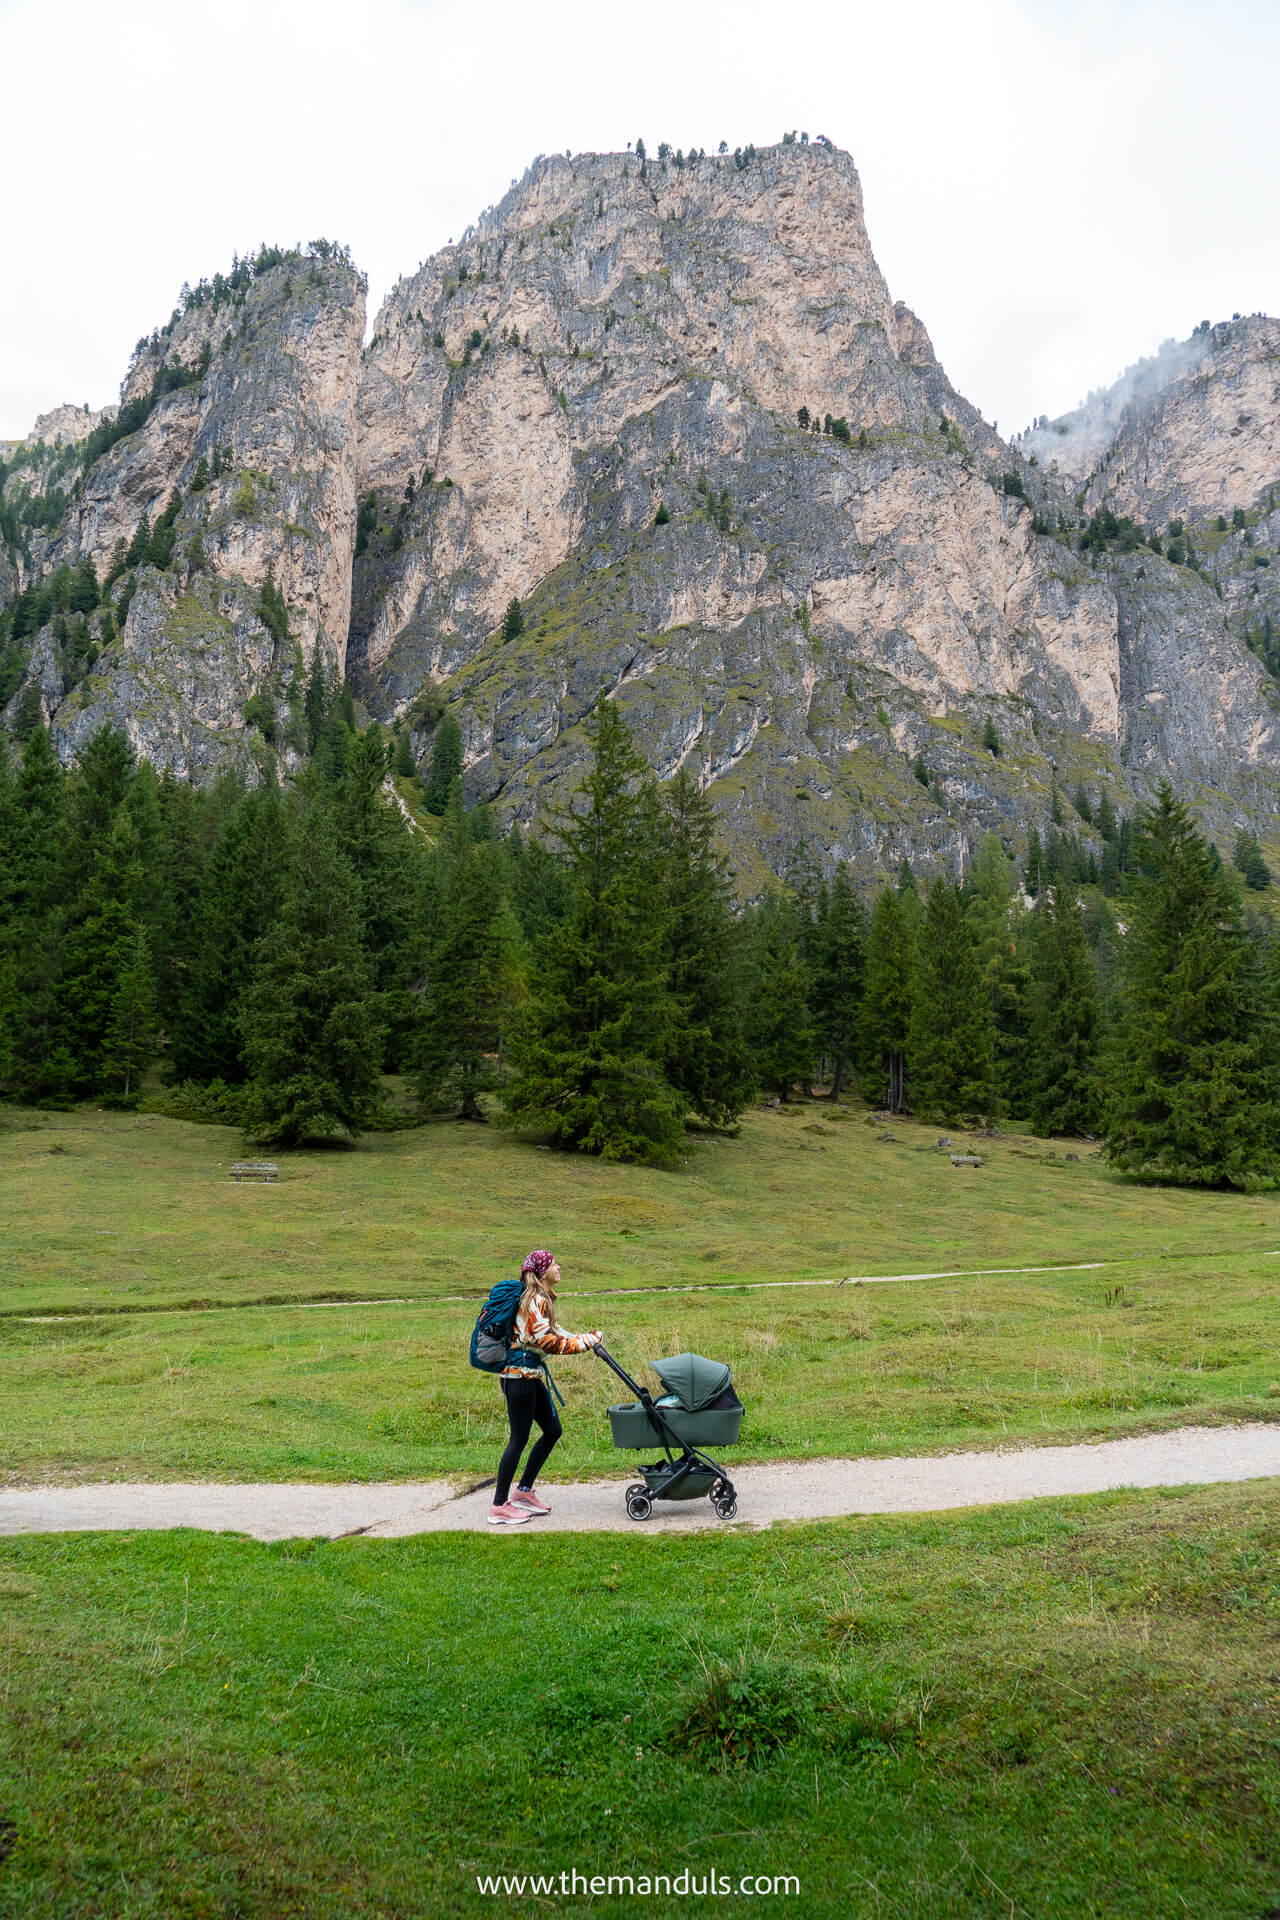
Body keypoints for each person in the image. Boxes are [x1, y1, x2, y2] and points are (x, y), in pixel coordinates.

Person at [488, 1249, 601, 1526]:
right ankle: (499, 1506)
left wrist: (585, 1338)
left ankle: (523, 1492)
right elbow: (548, 1342)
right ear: (542, 1272)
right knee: (518, 1440)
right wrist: (586, 1343)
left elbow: (555, 1332)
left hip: (528, 1375)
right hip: (519, 1378)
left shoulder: (539, 1300)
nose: (558, 1267)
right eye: (553, 1264)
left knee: (552, 1430)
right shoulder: (534, 1301)